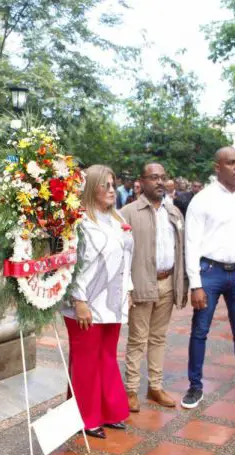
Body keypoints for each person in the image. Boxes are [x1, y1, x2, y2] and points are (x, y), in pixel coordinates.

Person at [182, 147, 235, 412]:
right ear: (218, 167)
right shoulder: (202, 200)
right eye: (231, 163)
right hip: (210, 273)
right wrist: (195, 284)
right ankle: (195, 386)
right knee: (200, 331)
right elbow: (191, 243)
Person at [62, 165, 133, 439]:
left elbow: (126, 260)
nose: (112, 190)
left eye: (114, 184)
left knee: (106, 356)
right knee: (85, 361)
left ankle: (108, 411)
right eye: (106, 185)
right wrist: (79, 300)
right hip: (85, 303)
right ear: (92, 188)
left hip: (112, 301)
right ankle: (85, 417)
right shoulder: (78, 223)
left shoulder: (117, 221)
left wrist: (128, 289)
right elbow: (73, 265)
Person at [121, 163, 187, 412]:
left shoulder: (173, 213)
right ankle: (131, 390)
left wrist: (181, 283)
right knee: (138, 339)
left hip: (167, 281)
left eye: (163, 177)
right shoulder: (128, 213)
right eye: (153, 178)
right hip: (140, 283)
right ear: (142, 181)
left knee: (158, 338)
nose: (159, 182)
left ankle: (155, 387)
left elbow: (180, 250)